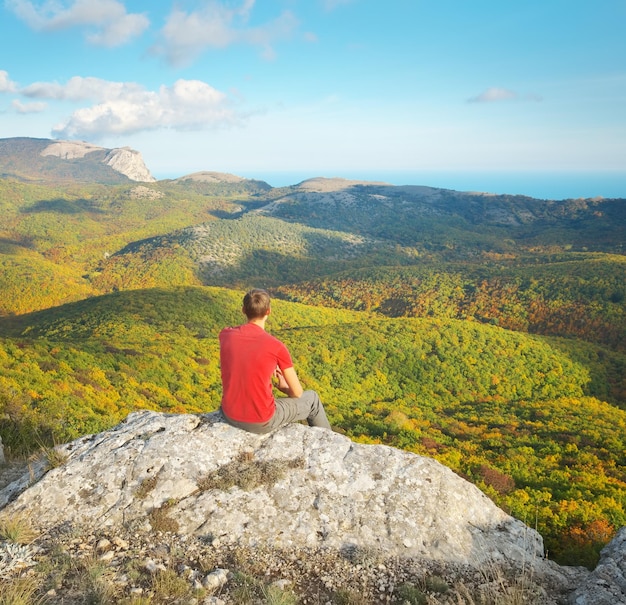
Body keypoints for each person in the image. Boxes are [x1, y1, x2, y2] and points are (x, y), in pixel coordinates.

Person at [219, 288, 331, 434]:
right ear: (268, 311)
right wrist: (284, 387)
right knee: (313, 400)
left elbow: (245, 356)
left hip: (229, 414)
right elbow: (297, 393)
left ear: (243, 310)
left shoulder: (226, 335)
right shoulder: (276, 347)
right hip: (260, 421)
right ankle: (329, 442)